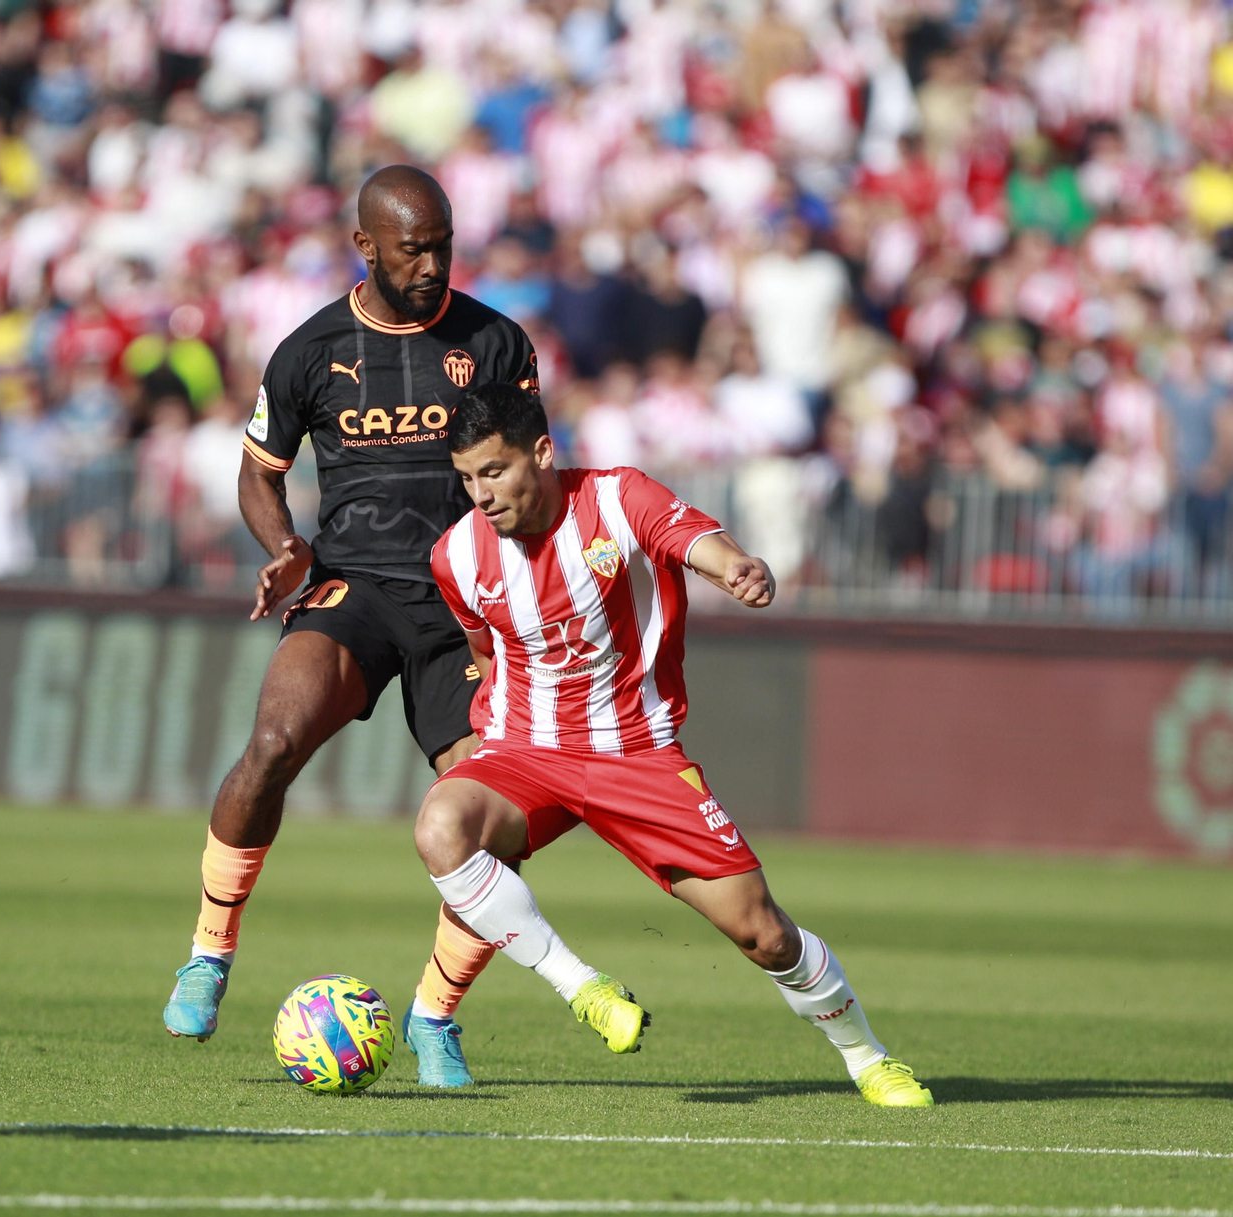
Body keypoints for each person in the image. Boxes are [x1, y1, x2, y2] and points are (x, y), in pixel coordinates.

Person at [165, 166, 581, 1087]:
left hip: (465, 606)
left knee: (488, 823)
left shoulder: (496, 341)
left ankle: (435, 1018)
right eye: (413, 248)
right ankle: (209, 951)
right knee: (272, 742)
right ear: (367, 247)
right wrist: (282, 546)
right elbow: (258, 472)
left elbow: (530, 474)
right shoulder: (310, 349)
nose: (432, 264)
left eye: (442, 244)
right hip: (353, 587)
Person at [415, 381, 934, 1107]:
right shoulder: (457, 555)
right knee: (442, 826)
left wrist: (738, 568)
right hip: (526, 752)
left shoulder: (618, 498)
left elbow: (695, 542)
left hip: (637, 754)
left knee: (764, 936)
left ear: (541, 451)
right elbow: (487, 648)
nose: (481, 494)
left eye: (494, 472)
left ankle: (868, 1058)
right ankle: (583, 989)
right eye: (466, 478)